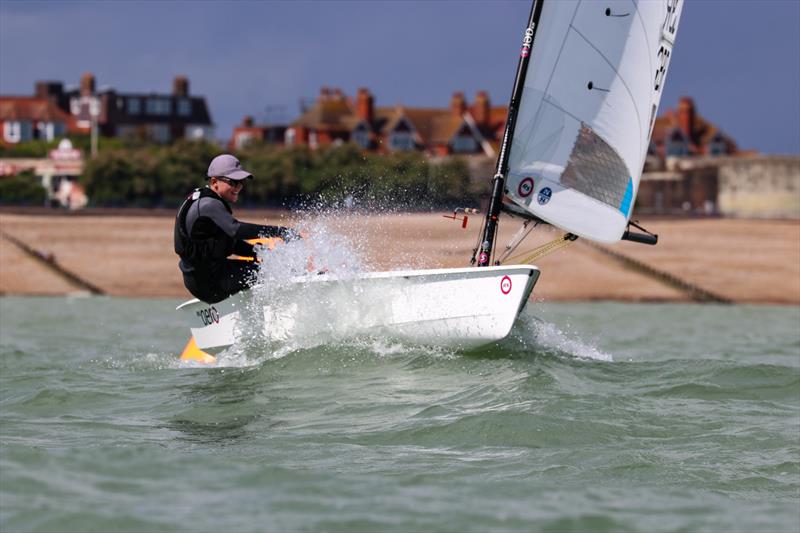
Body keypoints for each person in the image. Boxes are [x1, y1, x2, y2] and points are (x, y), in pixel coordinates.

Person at [174, 154, 299, 303]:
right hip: (211, 283)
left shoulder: (202, 200)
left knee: (264, 267)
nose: (238, 187)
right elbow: (236, 230)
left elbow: (229, 243)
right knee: (272, 272)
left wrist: (264, 253)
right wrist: (281, 232)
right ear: (214, 182)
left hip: (205, 277)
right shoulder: (209, 205)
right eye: (233, 182)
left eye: (241, 182)